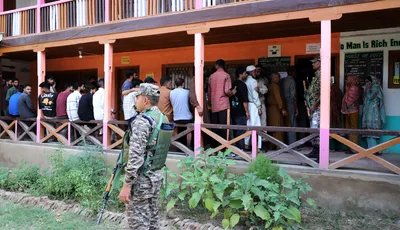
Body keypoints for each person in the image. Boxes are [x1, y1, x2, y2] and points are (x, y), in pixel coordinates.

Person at [119, 83, 169, 229]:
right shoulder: (162, 118)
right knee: (153, 221)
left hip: (142, 180)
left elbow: (135, 156)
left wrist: (127, 185)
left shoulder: (142, 121)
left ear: (145, 100)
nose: (136, 101)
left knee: (139, 223)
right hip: (156, 176)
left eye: (138, 98)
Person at [208, 59, 236, 143]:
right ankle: (223, 147)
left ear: (216, 65)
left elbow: (209, 93)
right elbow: (227, 91)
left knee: (215, 127)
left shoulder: (211, 76)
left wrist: (210, 102)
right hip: (223, 105)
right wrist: (232, 92)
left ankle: (214, 147)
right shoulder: (226, 75)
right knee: (224, 127)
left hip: (214, 105)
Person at [362, 76, 386, 153]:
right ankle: (370, 150)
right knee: (368, 133)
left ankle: (373, 150)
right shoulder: (369, 89)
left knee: (372, 133)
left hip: (373, 113)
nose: (367, 83)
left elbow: (369, 97)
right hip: (368, 113)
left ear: (372, 82)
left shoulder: (375, 88)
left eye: (368, 82)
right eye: (366, 82)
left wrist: (367, 89)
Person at [170, 78, 193, 148]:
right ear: (183, 84)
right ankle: (192, 146)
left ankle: (181, 147)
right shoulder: (187, 92)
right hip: (187, 118)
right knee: (194, 128)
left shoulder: (171, 92)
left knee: (180, 131)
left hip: (176, 118)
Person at [230, 67, 249, 150]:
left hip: (233, 110)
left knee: (235, 131)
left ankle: (236, 149)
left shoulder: (233, 84)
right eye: (245, 73)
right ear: (240, 74)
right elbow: (245, 100)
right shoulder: (243, 85)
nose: (246, 75)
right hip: (241, 111)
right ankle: (240, 149)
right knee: (241, 131)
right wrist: (247, 112)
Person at [267, 72, 287, 149]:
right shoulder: (275, 86)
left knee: (272, 127)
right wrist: (282, 108)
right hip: (275, 109)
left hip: (270, 109)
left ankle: (271, 146)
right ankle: (279, 146)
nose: (279, 78)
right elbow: (278, 98)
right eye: (278, 77)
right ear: (274, 78)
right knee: (277, 126)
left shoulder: (269, 85)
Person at [341, 75, 361, 153]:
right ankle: (350, 147)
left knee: (353, 130)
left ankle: (354, 149)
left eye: (348, 79)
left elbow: (349, 101)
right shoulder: (350, 87)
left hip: (353, 112)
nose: (346, 81)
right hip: (349, 112)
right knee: (349, 130)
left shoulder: (354, 88)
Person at [244, 65, 262, 150]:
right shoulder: (253, 81)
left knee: (249, 125)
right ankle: (257, 147)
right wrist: (259, 107)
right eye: (255, 71)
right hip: (253, 105)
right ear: (251, 72)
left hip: (248, 104)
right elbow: (255, 95)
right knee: (257, 126)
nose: (256, 73)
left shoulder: (245, 81)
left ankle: (246, 143)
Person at [282, 66, 298, 144]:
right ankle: (293, 144)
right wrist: (296, 107)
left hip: (283, 103)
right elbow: (293, 96)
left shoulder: (283, 80)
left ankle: (285, 142)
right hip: (290, 103)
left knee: (286, 122)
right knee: (292, 123)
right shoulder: (292, 81)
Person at [255, 64, 269, 147]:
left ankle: (263, 143)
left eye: (259, 70)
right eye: (256, 70)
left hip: (261, 103)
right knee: (254, 124)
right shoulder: (250, 80)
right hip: (253, 105)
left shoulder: (263, 80)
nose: (258, 72)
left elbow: (266, 90)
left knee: (263, 123)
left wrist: (259, 89)